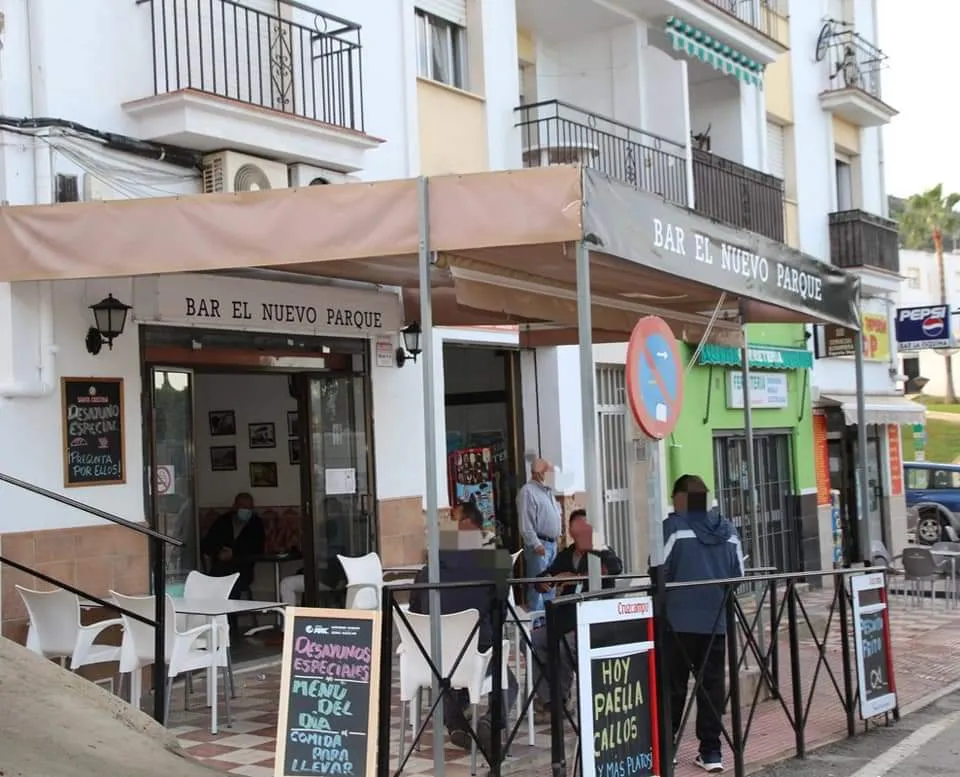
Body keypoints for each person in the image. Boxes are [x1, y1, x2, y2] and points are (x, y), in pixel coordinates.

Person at [409, 501, 519, 755]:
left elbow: (415, 610)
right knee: (509, 682)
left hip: (436, 656)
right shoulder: (496, 562)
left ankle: (456, 724)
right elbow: (501, 610)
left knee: (446, 674)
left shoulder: (427, 571)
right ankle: (490, 721)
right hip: (477, 652)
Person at [663, 474, 744, 774]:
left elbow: (658, 571)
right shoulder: (728, 529)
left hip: (677, 623)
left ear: (681, 498)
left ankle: (667, 748)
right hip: (715, 622)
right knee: (711, 688)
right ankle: (711, 753)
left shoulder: (673, 528)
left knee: (673, 687)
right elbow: (738, 576)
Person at [530, 510, 622, 714]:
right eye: (576, 529)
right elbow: (546, 575)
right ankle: (547, 697)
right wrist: (544, 581)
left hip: (592, 621)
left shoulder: (601, 549)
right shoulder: (567, 554)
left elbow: (616, 567)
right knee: (533, 640)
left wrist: (577, 576)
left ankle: (561, 700)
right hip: (564, 619)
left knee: (565, 645)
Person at [200, 492, 266, 609]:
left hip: (242, 569)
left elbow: (257, 548)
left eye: (249, 507)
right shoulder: (223, 521)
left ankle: (230, 618)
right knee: (213, 584)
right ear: (235, 506)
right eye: (243, 506)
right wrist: (219, 552)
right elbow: (207, 544)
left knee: (232, 586)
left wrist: (234, 553)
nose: (246, 510)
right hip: (220, 567)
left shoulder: (256, 524)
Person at [518, 458, 562, 611]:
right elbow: (526, 523)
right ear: (538, 472)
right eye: (549, 472)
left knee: (550, 585)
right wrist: (536, 544)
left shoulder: (548, 491)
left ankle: (550, 619)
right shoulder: (528, 491)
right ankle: (537, 620)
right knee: (538, 587)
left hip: (552, 544)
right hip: (540, 545)